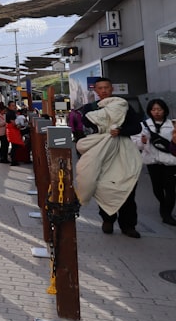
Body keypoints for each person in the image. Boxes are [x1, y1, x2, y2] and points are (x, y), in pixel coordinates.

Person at [74, 77, 144, 238]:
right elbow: (89, 123)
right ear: (96, 91)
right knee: (104, 186)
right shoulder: (90, 108)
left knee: (127, 187)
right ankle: (108, 219)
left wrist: (120, 130)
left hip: (124, 152)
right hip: (103, 150)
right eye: (100, 88)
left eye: (106, 87)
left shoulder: (123, 106)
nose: (104, 90)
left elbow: (137, 127)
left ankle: (128, 225)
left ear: (112, 89)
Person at [136, 98, 176, 226]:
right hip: (153, 161)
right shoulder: (143, 125)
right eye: (153, 109)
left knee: (170, 188)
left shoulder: (173, 124)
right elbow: (138, 145)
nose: (157, 112)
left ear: (165, 110)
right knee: (157, 188)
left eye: (159, 109)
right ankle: (163, 205)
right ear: (149, 111)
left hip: (170, 161)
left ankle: (167, 214)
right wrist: (142, 142)